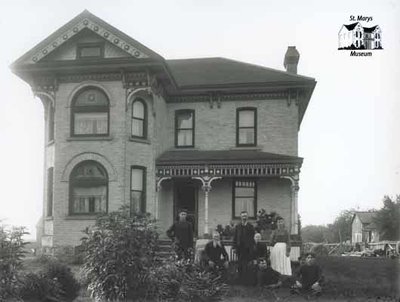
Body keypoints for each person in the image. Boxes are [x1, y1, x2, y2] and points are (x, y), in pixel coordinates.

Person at [233, 211, 255, 283]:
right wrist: (234, 247)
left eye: (245, 216)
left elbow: (252, 238)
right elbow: (235, 237)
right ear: (241, 217)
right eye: (243, 216)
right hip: (239, 248)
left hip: (248, 249)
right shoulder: (238, 226)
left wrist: (252, 248)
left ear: (247, 217)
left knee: (247, 264)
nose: (244, 217)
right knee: (239, 264)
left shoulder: (251, 227)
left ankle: (246, 280)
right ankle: (240, 279)